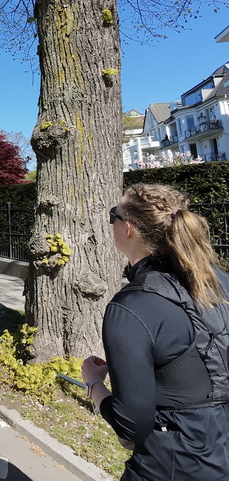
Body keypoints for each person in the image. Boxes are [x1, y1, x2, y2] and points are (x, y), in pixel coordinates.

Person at [81, 183, 229, 480]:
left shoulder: (132, 306)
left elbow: (130, 424)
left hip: (170, 465)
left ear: (128, 228)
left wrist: (94, 383)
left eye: (114, 215)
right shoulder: (220, 281)